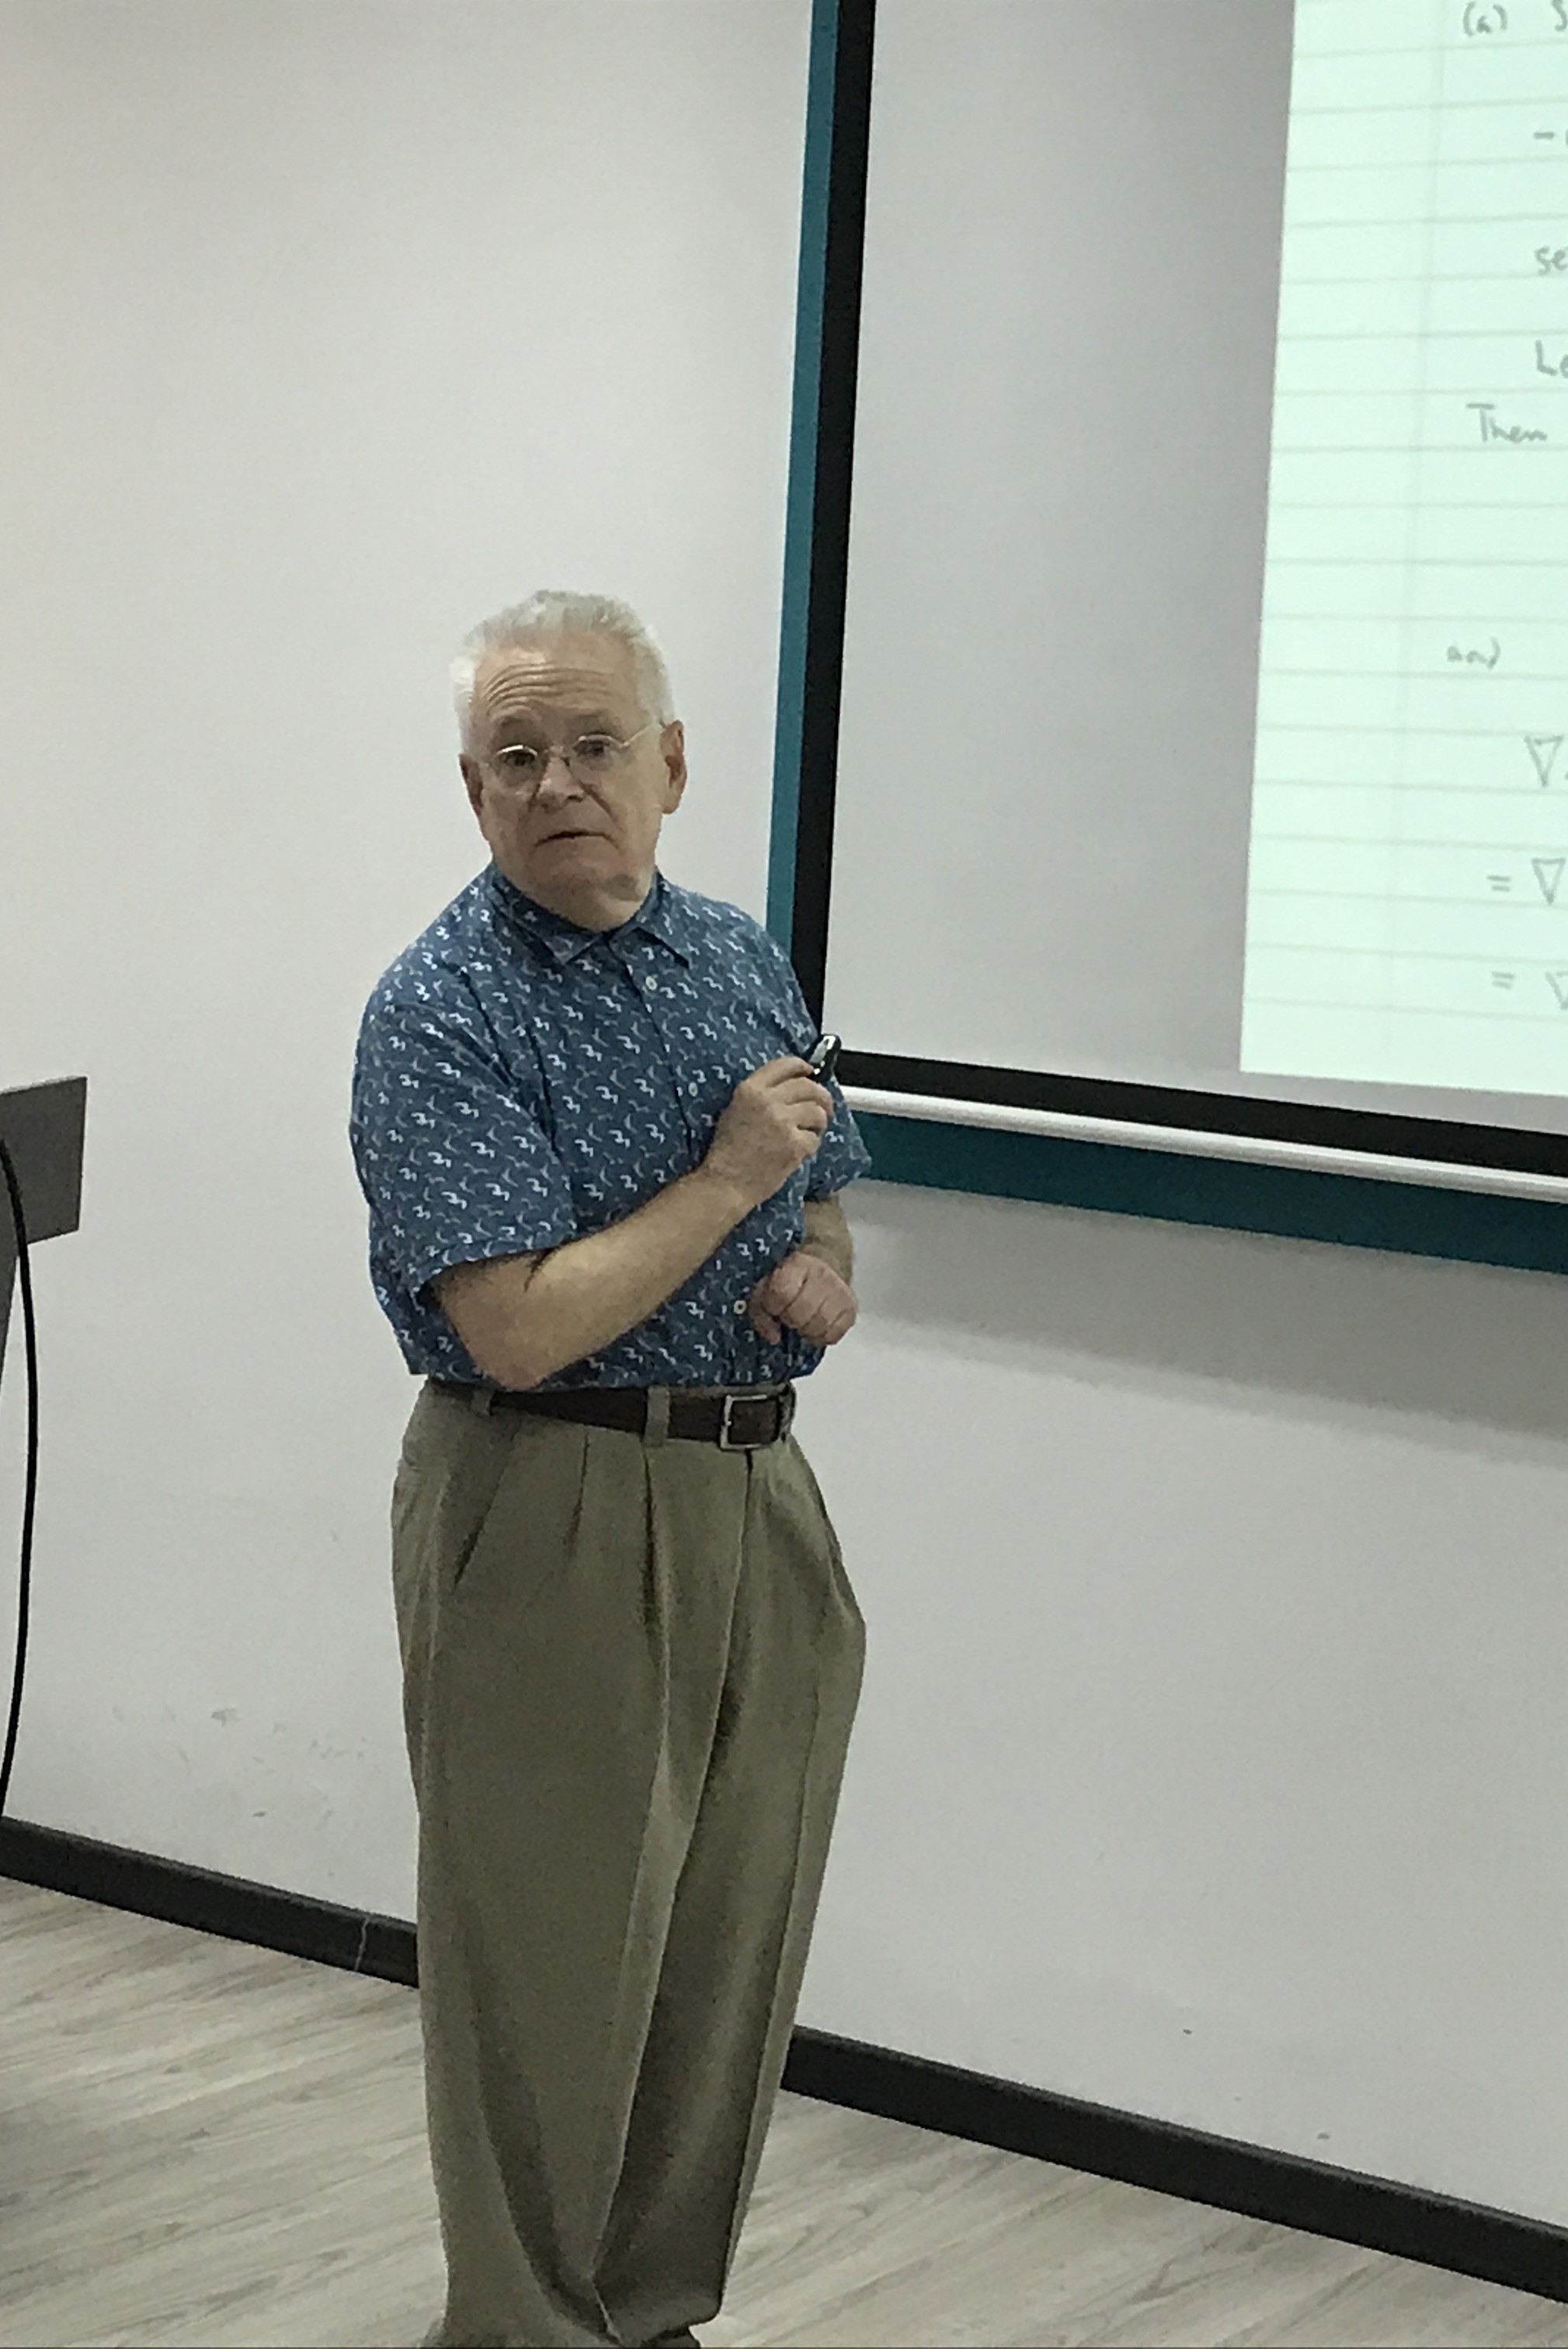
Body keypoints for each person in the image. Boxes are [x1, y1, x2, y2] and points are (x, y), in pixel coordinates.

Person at [349, 590, 872, 2349]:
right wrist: (728, 1185)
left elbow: (823, 1189)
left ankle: (648, 2316)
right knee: (547, 1962)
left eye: (592, 745)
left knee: (729, 1951)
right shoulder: (443, 1008)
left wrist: (823, 1269)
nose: (557, 782)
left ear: (671, 765)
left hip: (757, 1487)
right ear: (473, 790)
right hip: (550, 1492)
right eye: (516, 756)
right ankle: (521, 2328)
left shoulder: (737, 959)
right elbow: (513, 1327)